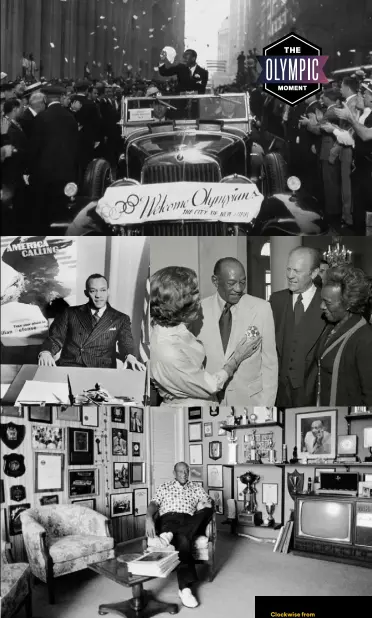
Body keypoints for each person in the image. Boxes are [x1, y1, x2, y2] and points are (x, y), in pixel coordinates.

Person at [150, 266, 261, 406]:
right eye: (193, 299)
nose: (199, 304)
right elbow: (211, 386)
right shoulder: (168, 351)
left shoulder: (171, 325)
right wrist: (237, 357)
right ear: (177, 307)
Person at [199, 258, 278, 406]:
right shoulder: (199, 310)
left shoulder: (262, 309)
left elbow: (270, 365)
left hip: (249, 401)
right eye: (231, 283)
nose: (239, 288)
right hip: (209, 402)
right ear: (215, 281)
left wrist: (266, 407)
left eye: (242, 282)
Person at [38, 273, 145, 370]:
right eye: (93, 291)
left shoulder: (121, 318)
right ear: (86, 293)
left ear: (108, 291)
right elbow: (55, 338)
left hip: (102, 370)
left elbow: (126, 343)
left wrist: (130, 356)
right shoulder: (69, 313)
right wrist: (46, 352)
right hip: (71, 366)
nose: (98, 295)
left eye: (103, 290)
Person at [146, 462, 213, 609]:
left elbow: (208, 503)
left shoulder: (196, 487)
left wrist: (206, 504)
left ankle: (167, 537)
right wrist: (148, 517)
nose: (184, 474)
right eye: (180, 471)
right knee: (183, 539)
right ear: (174, 473)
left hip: (188, 519)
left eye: (186, 471)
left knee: (208, 511)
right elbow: (153, 504)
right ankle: (185, 589)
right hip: (168, 519)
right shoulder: (164, 487)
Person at [270, 247, 326, 407]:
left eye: (297, 271)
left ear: (314, 273)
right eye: (288, 269)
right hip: (278, 392)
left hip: (312, 393)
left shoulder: (326, 302)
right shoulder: (276, 300)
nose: (290, 275)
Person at [316, 265, 372, 405]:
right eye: (322, 300)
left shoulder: (364, 338)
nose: (321, 306)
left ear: (348, 304)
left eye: (327, 303)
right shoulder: (330, 325)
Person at [27, 85, 79, 231]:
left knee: (44, 210)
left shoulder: (41, 117)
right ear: (60, 97)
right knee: (63, 209)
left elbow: (35, 146)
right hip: (66, 171)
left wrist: (29, 170)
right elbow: (76, 145)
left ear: (45, 98)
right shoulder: (70, 117)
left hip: (45, 173)